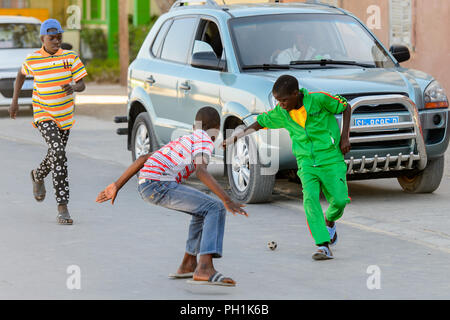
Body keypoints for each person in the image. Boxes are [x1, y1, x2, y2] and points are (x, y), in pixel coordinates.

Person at [96, 107, 248, 286]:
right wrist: (227, 199)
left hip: (147, 184)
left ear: (194, 127)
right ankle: (205, 268)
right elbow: (201, 171)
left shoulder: (184, 140)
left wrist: (116, 185)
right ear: (216, 130)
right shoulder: (205, 141)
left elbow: (143, 158)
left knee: (202, 210)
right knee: (215, 207)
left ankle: (188, 264)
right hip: (159, 184)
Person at [223, 75, 351, 260]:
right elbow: (261, 122)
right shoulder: (282, 113)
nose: (280, 104)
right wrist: (236, 137)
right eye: (277, 100)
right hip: (306, 161)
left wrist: (345, 136)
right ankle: (322, 246)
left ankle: (329, 221)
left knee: (339, 200)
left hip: (331, 157)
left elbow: (346, 106)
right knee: (310, 200)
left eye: (284, 100)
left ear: (295, 93)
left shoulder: (318, 100)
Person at [9, 19, 87, 225]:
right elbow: (20, 75)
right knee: (59, 154)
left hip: (65, 117)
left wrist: (73, 86)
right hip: (43, 114)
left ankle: (37, 174)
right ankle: (63, 207)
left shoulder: (70, 58)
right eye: (52, 38)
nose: (56, 41)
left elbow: (82, 84)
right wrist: (15, 101)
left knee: (56, 153)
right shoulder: (34, 59)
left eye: (59, 37)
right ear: (43, 38)